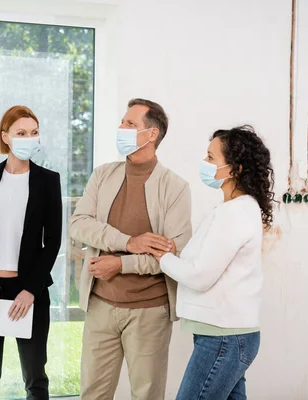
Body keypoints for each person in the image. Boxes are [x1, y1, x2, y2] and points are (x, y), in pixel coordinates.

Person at [69, 98, 192, 400]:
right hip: (100, 305)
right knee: (92, 394)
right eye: (122, 122)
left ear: (151, 135)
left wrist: (121, 264)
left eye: (130, 124)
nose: (121, 128)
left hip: (149, 312)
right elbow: (78, 224)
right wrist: (128, 242)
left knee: (146, 395)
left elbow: (173, 254)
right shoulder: (102, 175)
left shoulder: (175, 187)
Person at [153, 125, 275, 400]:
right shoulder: (236, 209)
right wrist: (175, 254)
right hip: (228, 335)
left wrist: (162, 257)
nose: (204, 163)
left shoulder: (233, 213)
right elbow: (208, 263)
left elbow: (199, 276)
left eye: (211, 158)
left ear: (234, 169)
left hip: (223, 338)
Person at [0, 105, 62, 400]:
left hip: (28, 292)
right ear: (5, 137)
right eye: (21, 133)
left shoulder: (48, 181)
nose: (29, 138)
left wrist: (31, 290)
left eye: (34, 132)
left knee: (35, 379)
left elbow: (52, 241)